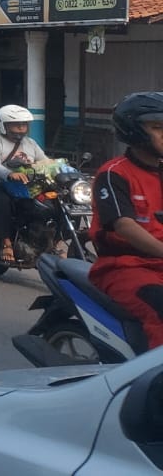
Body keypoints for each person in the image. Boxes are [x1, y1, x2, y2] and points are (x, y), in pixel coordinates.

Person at [91, 92, 163, 349]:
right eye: (157, 127)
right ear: (134, 131)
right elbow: (124, 225)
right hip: (124, 268)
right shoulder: (114, 173)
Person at [0, 104, 48, 263]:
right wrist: (9, 174)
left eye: (24, 124)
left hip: (24, 186)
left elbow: (44, 161)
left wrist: (63, 169)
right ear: (3, 125)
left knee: (52, 202)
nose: (21, 128)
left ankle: (52, 241)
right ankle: (5, 242)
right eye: (16, 124)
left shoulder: (30, 143)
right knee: (1, 200)